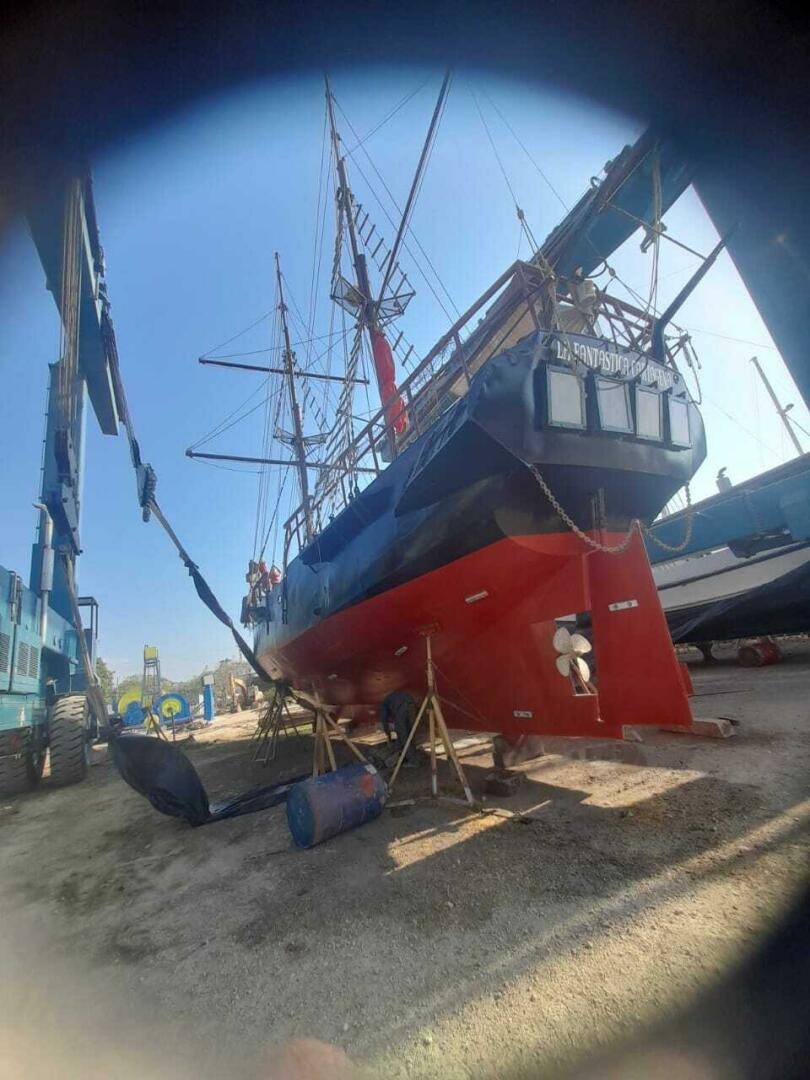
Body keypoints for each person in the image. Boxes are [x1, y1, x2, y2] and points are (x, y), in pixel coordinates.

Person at [380, 690, 418, 766]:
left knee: (403, 736)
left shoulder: (384, 706)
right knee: (411, 733)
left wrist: (389, 739)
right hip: (411, 703)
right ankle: (414, 755)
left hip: (402, 707)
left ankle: (413, 762)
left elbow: (385, 723)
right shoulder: (389, 701)